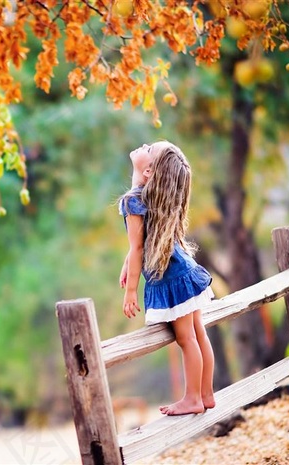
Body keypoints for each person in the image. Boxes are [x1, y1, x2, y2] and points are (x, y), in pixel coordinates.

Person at [118, 141, 216, 416]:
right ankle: (206, 394)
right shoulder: (156, 198)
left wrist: (131, 291)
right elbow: (141, 243)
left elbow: (137, 247)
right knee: (198, 334)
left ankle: (193, 398)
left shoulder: (134, 201)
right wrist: (128, 265)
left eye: (150, 149)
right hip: (184, 270)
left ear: (149, 172)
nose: (144, 145)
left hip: (173, 276)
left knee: (187, 339)